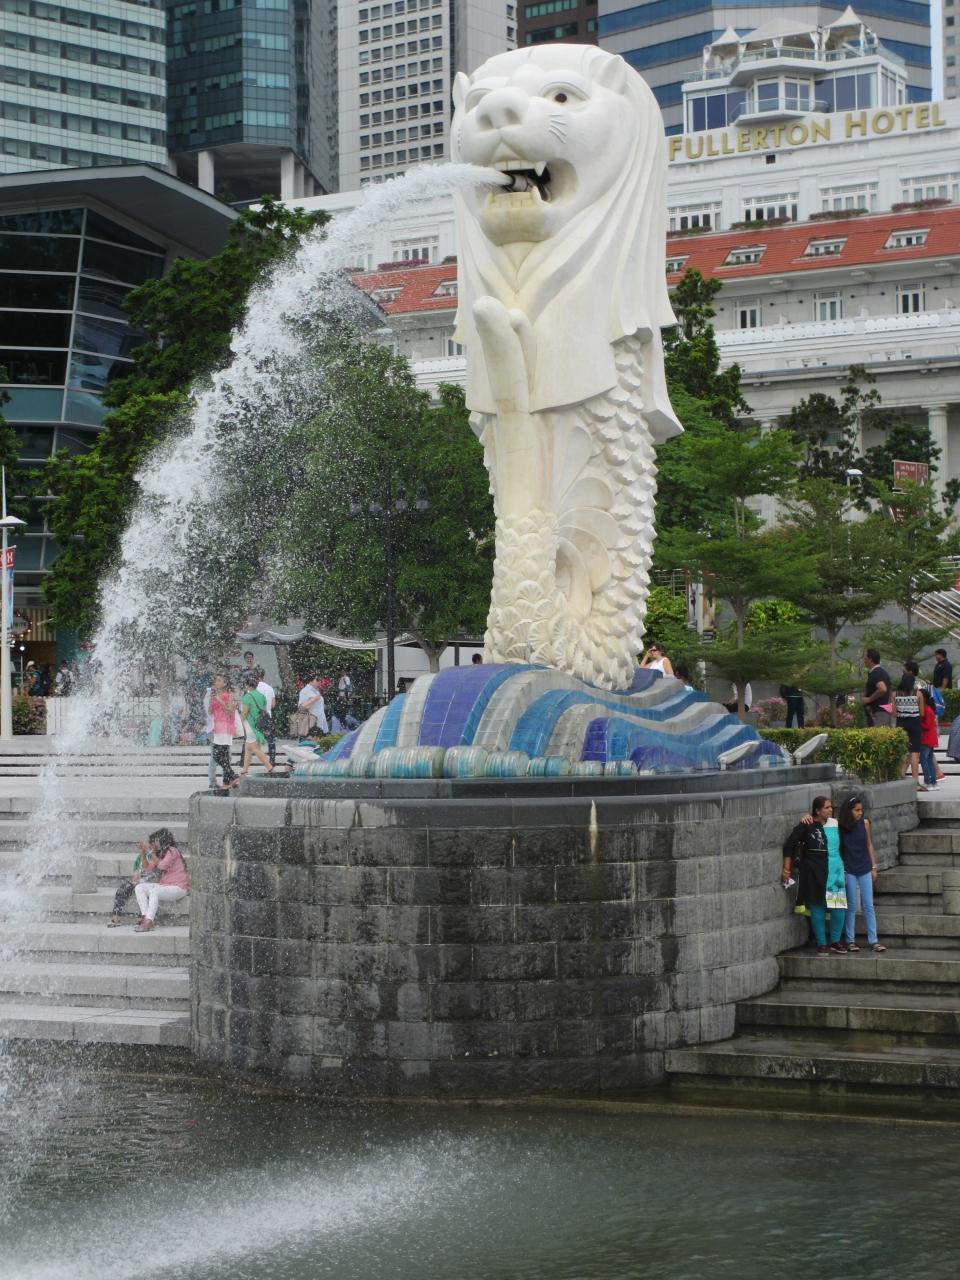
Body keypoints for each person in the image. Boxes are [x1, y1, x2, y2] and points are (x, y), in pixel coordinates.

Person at [783, 795, 848, 956]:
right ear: (817, 811)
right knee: (817, 908)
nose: (830, 810)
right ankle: (821, 943)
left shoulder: (835, 824)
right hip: (814, 873)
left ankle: (835, 941)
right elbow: (789, 845)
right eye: (826, 807)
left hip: (835, 873)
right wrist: (786, 869)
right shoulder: (807, 824)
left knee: (839, 909)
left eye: (831, 807)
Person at [837, 796, 886, 953]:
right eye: (856, 810)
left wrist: (874, 866)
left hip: (864, 866)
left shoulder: (864, 823)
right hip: (849, 869)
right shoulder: (839, 826)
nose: (860, 813)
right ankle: (850, 940)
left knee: (868, 905)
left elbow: (869, 844)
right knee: (851, 906)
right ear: (849, 811)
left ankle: (874, 940)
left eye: (861, 810)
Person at [133, 828, 188, 933]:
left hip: (178, 888)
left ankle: (149, 921)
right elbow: (147, 868)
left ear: (163, 840)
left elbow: (162, 865)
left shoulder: (172, 851)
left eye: (156, 841)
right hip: (165, 886)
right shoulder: (160, 854)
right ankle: (145, 917)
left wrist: (149, 851)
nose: (155, 844)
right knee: (139, 887)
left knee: (154, 891)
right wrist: (143, 852)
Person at [109, 837, 161, 926]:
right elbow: (136, 873)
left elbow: (158, 872)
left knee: (146, 894)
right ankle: (116, 916)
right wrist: (135, 880)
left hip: (151, 883)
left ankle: (142, 918)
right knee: (122, 890)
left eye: (152, 845)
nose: (149, 847)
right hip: (140, 881)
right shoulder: (140, 857)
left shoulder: (159, 857)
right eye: (149, 845)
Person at [239, 672, 275, 776]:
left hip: (250, 725)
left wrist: (238, 721)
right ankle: (245, 769)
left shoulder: (247, 697)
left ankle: (270, 768)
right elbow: (264, 710)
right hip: (259, 725)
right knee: (248, 747)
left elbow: (244, 713)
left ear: (247, 685)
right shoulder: (261, 695)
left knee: (255, 748)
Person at [207, 673, 238, 790]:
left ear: (225, 683)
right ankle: (229, 780)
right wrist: (212, 700)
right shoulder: (215, 695)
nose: (217, 682)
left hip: (225, 727)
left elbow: (229, 711)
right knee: (222, 756)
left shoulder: (229, 695)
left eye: (219, 680)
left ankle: (231, 776)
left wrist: (219, 700)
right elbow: (210, 712)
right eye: (216, 680)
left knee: (218, 755)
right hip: (217, 728)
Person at [895, 662, 923, 790]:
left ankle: (899, 778)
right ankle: (915, 782)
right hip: (915, 724)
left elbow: (894, 713)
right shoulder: (918, 694)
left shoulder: (895, 694)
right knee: (914, 753)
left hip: (901, 725)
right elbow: (922, 713)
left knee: (903, 752)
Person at [861, 649, 892, 727]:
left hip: (878, 712)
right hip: (884, 711)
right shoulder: (883, 672)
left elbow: (883, 689)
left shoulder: (875, 673)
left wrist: (869, 699)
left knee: (877, 733)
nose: (864, 660)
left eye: (865, 658)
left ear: (870, 659)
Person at [919, 686, 941, 792]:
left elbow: (927, 726)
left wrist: (917, 722)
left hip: (926, 738)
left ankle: (928, 782)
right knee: (929, 761)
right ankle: (933, 782)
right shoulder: (929, 709)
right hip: (931, 739)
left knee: (924, 760)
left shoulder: (926, 710)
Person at [254, 665, 276, 767]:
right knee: (270, 739)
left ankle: (244, 760)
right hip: (268, 716)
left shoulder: (254, 688)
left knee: (250, 739)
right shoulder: (269, 688)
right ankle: (272, 759)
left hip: (256, 716)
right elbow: (273, 704)